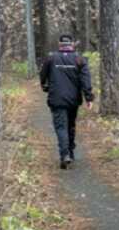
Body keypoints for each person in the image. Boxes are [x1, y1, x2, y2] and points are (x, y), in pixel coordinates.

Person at [40, 34, 94, 169]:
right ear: (72, 44)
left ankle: (65, 155)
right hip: (73, 100)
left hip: (56, 99)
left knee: (61, 127)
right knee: (70, 125)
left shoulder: (51, 58)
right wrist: (89, 98)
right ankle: (69, 151)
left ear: (59, 45)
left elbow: (43, 75)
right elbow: (85, 80)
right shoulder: (79, 59)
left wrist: (44, 86)